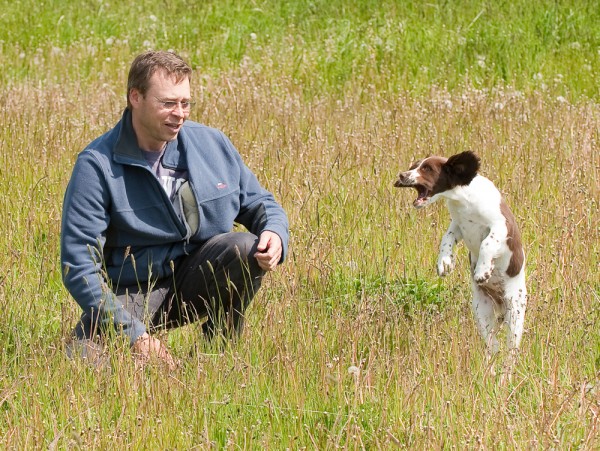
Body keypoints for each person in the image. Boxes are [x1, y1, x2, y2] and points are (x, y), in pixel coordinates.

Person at [61, 50, 289, 369]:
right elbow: (79, 266)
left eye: (185, 103)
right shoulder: (96, 165)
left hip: (197, 277)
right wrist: (136, 337)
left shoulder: (213, 144)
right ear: (135, 98)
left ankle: (216, 361)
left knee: (244, 248)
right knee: (84, 366)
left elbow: (261, 204)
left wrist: (275, 234)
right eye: (168, 103)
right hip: (133, 291)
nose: (179, 113)